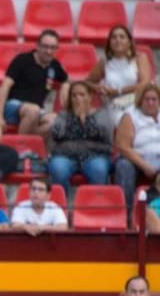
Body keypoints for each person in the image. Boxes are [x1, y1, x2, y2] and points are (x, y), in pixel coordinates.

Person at [0, 29, 69, 138]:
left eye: (53, 47)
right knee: (33, 110)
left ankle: (28, 144)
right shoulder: (22, 60)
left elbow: (66, 79)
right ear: (38, 46)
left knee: (57, 121)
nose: (49, 51)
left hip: (37, 111)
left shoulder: (54, 65)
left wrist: (65, 86)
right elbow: (5, 86)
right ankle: (21, 150)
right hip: (13, 107)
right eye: (45, 46)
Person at [47, 80, 112, 194]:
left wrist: (85, 122)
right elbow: (57, 135)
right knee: (58, 168)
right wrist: (75, 120)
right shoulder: (63, 115)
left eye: (82, 95)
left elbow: (104, 135)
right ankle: (62, 206)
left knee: (99, 169)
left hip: (94, 156)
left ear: (90, 97)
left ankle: (94, 206)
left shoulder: (101, 114)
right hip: (66, 156)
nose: (77, 98)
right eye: (74, 95)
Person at [87, 25, 152, 132]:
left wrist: (118, 91)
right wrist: (97, 88)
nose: (118, 40)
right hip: (116, 106)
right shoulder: (104, 63)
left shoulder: (140, 58)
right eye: (114, 37)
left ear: (129, 42)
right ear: (109, 42)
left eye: (122, 37)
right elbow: (87, 82)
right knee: (125, 122)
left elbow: (145, 84)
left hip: (138, 102)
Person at [115, 83, 160, 220]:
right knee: (124, 166)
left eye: (154, 99)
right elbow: (123, 146)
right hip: (137, 159)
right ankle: (126, 214)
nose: (150, 103)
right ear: (140, 100)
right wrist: (144, 165)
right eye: (147, 99)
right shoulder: (130, 116)